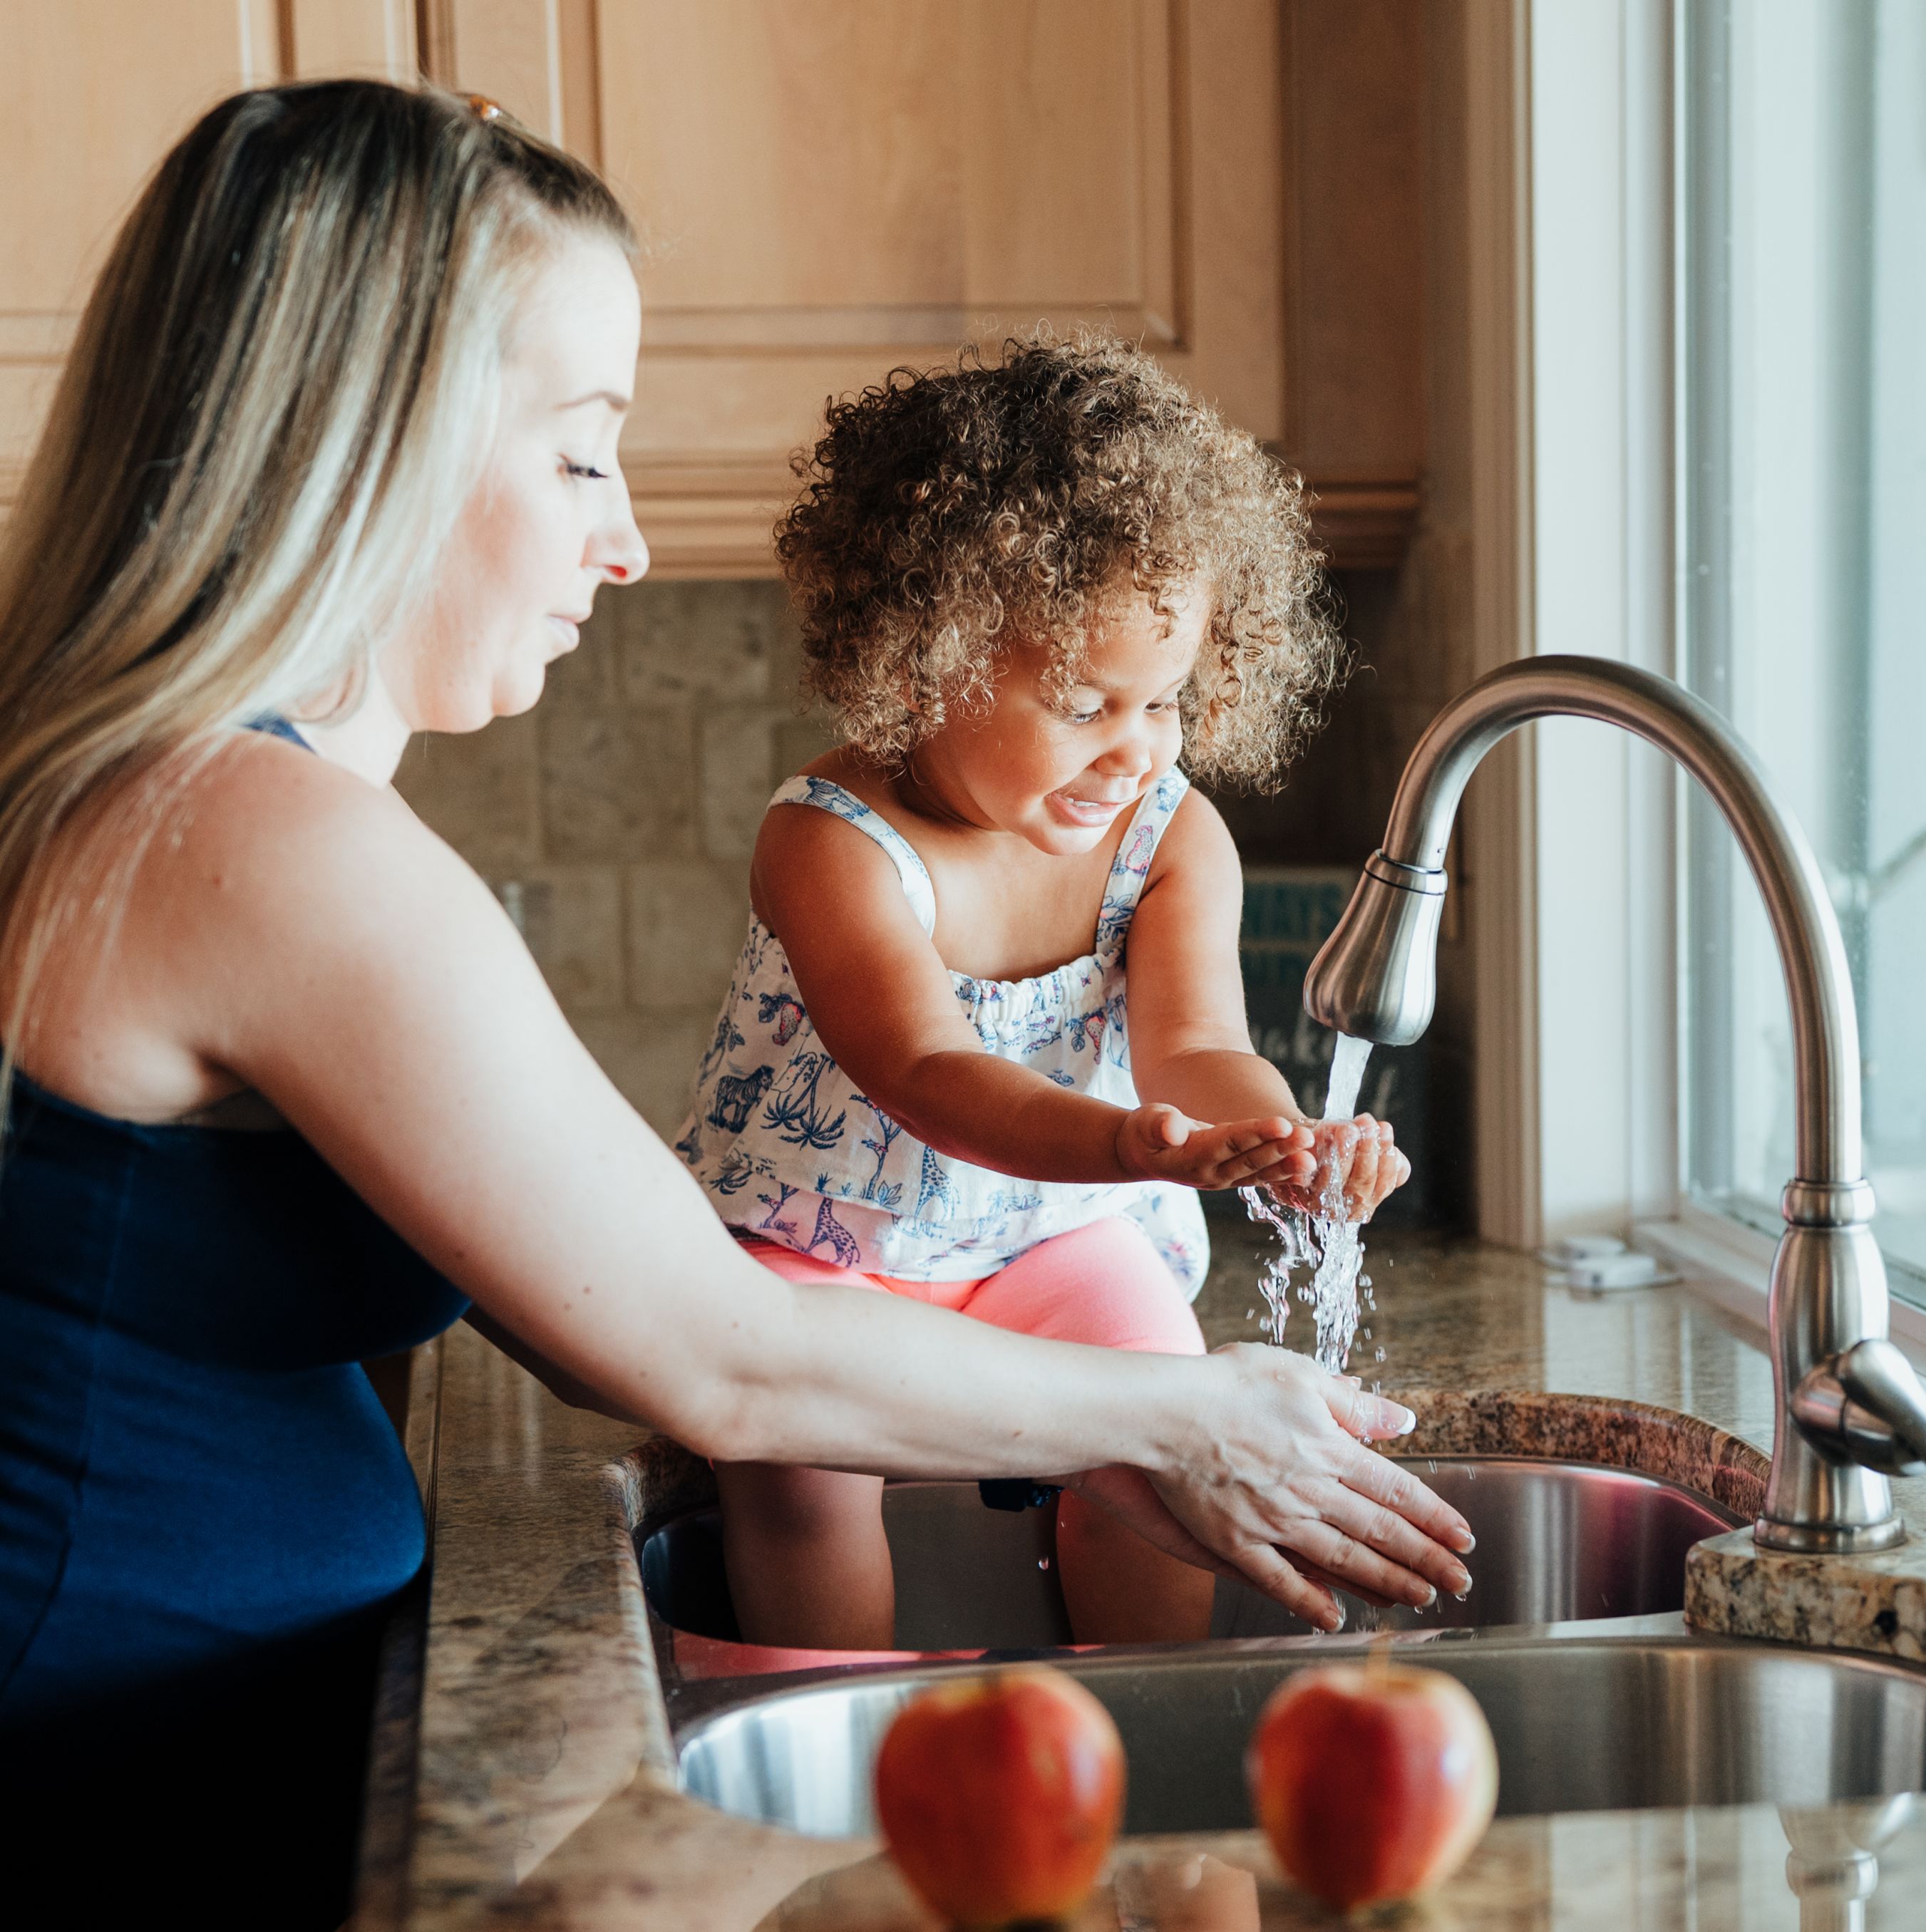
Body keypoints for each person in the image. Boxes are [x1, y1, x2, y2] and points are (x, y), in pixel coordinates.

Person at [0, 81, 1467, 1923]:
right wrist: (1174, 1416)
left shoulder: (212, 806)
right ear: (367, 447)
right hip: (107, 1786)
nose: (621, 545)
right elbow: (724, 1353)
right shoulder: (250, 839)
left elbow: (595, 1295)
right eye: (579, 452)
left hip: (170, 1735)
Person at [675, 339, 1409, 1651]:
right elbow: (928, 1072)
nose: (1134, 750)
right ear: (921, 661)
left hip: (1047, 1244)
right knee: (799, 1476)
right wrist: (1124, 1144)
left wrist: (1276, 1138)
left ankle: (1142, 1718)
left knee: (1164, 1423)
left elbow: (1196, 1045)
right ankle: (836, 1723)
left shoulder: (1172, 837)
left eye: (1166, 702)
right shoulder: (832, 842)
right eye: (1082, 703)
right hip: (829, 1250)